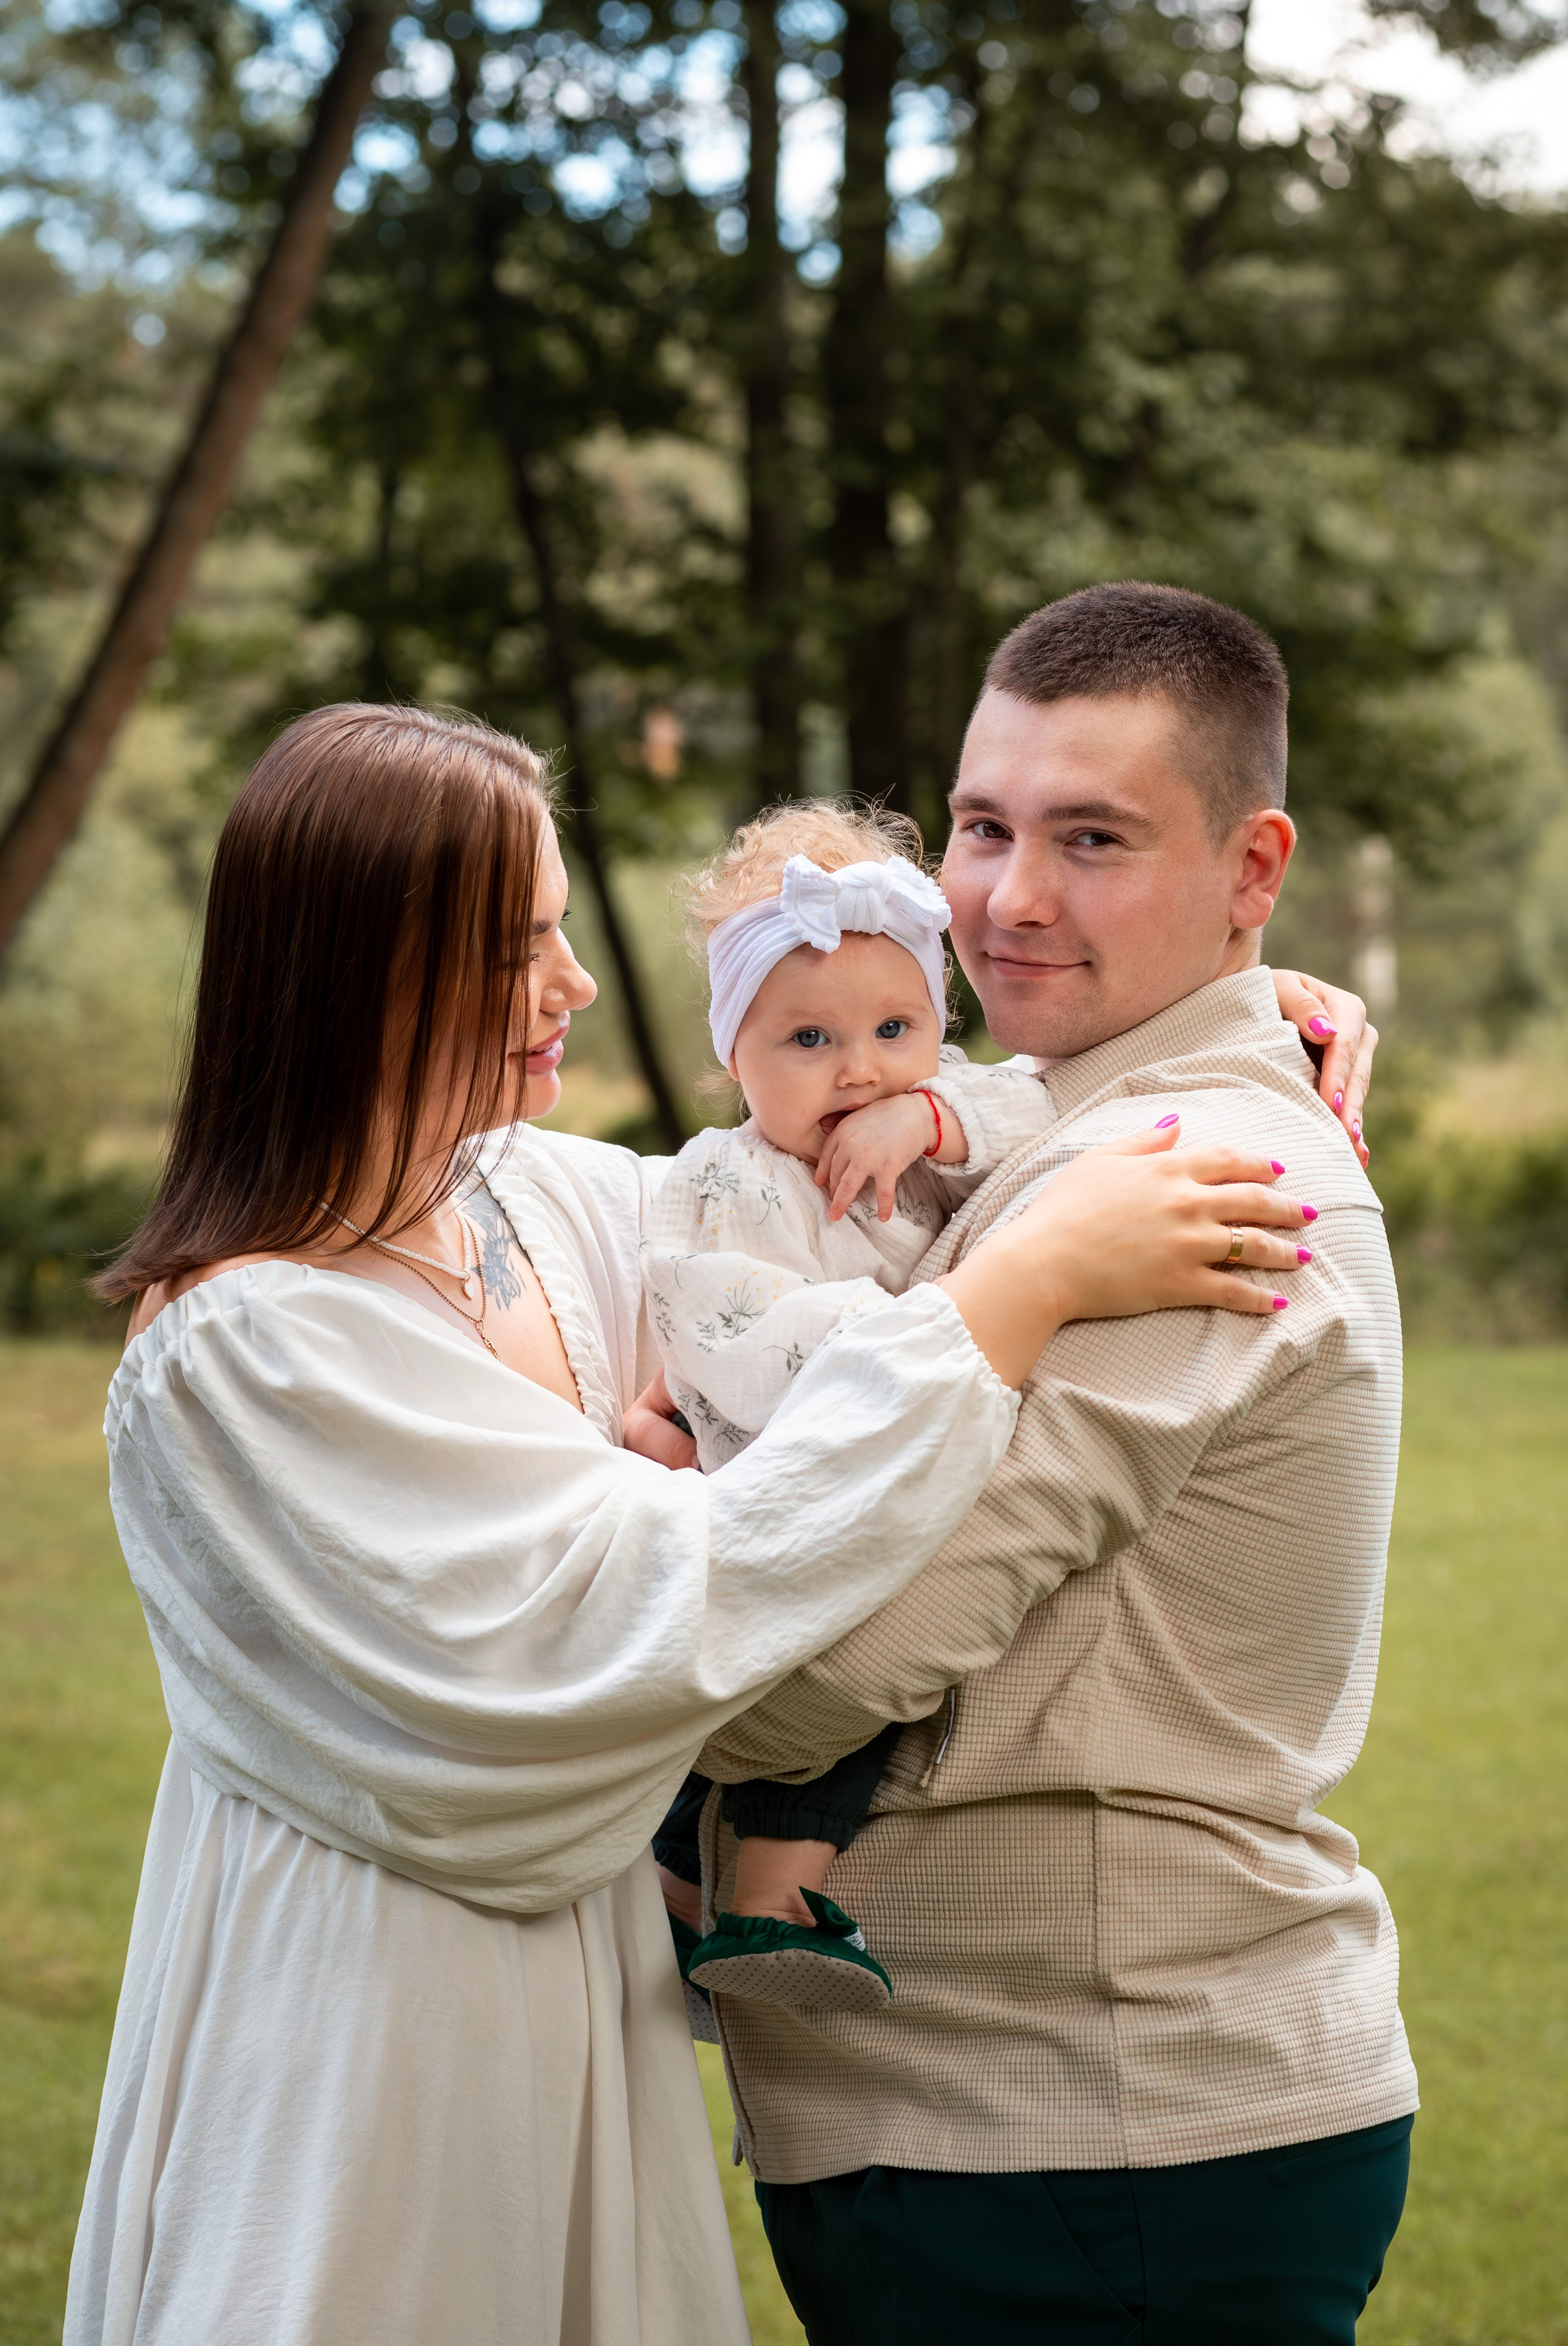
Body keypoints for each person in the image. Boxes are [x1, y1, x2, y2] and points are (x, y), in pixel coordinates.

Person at [66, 700, 1319, 2346]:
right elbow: (631, 1620)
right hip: (369, 2039)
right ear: (366, 971)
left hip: (577, 1997)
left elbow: (796, 1184)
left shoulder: (520, 1197)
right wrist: (1014, 1297)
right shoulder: (244, 1348)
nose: (573, 983)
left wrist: (1230, 1013)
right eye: (522, 945)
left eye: (562, 929)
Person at [695, 581, 1416, 2346]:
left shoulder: (1198, 1183)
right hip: (1000, 2118)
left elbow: (824, 1669)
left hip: (1099, 2130)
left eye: (1092, 839)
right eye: (984, 825)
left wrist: (577, 1645)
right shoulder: (1067, 1131)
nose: (1010, 900)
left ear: (1256, 871)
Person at [639, 798, 1360, 2019]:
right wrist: (959, 1323)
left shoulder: (946, 1136)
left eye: (894, 1027)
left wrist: (933, 1112)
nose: (858, 1065)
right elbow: (732, 1333)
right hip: (777, 1474)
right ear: (732, 1058)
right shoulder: (720, 1183)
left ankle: (751, 1893)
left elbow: (1059, 1100)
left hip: (900, 1478)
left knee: (883, 1689)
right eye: (807, 1038)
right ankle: (702, 1887)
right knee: (830, 1677)